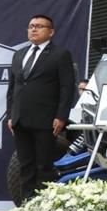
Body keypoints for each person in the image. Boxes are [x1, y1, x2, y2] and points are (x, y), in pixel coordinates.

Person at [6, 14, 76, 201]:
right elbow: (12, 88)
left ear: (51, 32)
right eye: (31, 26)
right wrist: (10, 115)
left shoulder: (60, 55)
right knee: (25, 165)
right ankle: (27, 204)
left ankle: (45, 204)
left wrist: (61, 116)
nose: (34, 29)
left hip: (46, 119)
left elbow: (67, 88)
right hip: (20, 119)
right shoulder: (19, 54)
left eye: (39, 26)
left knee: (44, 165)